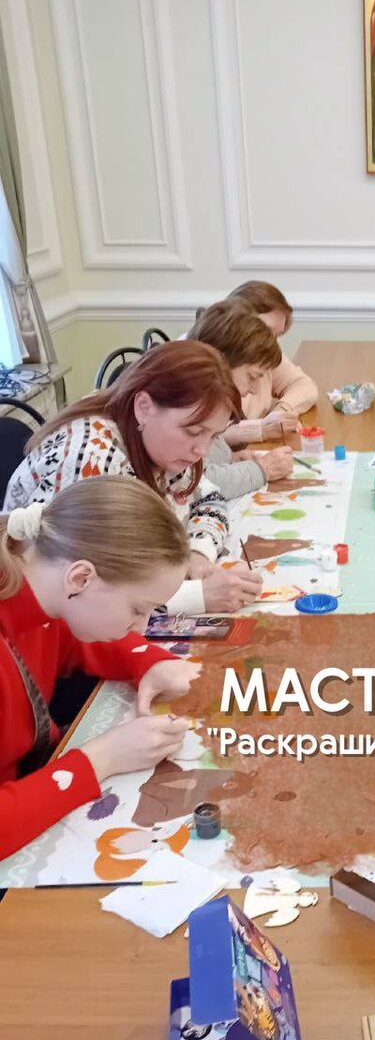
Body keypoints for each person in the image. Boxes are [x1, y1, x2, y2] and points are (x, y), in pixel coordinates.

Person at [0, 478, 200, 861]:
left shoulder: (41, 589)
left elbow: (70, 638)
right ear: (81, 577)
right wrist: (102, 759)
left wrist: (148, 660)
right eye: (137, 609)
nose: (142, 627)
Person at [3, 341, 262, 614]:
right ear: (144, 407)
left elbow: (209, 499)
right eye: (194, 431)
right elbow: (78, 594)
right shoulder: (91, 461)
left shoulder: (162, 448)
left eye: (213, 435)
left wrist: (197, 553)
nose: (203, 451)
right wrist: (197, 596)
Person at [188, 301, 294, 498]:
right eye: (251, 377)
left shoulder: (207, 401)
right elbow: (195, 483)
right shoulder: (187, 405)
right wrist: (262, 469)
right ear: (221, 363)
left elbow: (207, 461)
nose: (253, 389)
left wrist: (230, 459)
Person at [226, 280, 319, 423]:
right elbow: (214, 433)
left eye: (276, 336)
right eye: (267, 332)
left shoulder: (266, 357)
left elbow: (305, 386)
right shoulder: (207, 362)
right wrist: (261, 427)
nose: (272, 345)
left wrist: (281, 411)